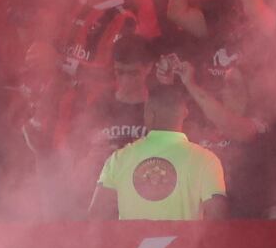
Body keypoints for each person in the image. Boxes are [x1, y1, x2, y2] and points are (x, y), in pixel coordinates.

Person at [90, 59, 229, 220]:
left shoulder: (119, 159)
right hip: (186, 245)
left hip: (132, 245)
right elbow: (219, 218)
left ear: (148, 115)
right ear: (184, 114)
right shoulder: (206, 160)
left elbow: (96, 215)